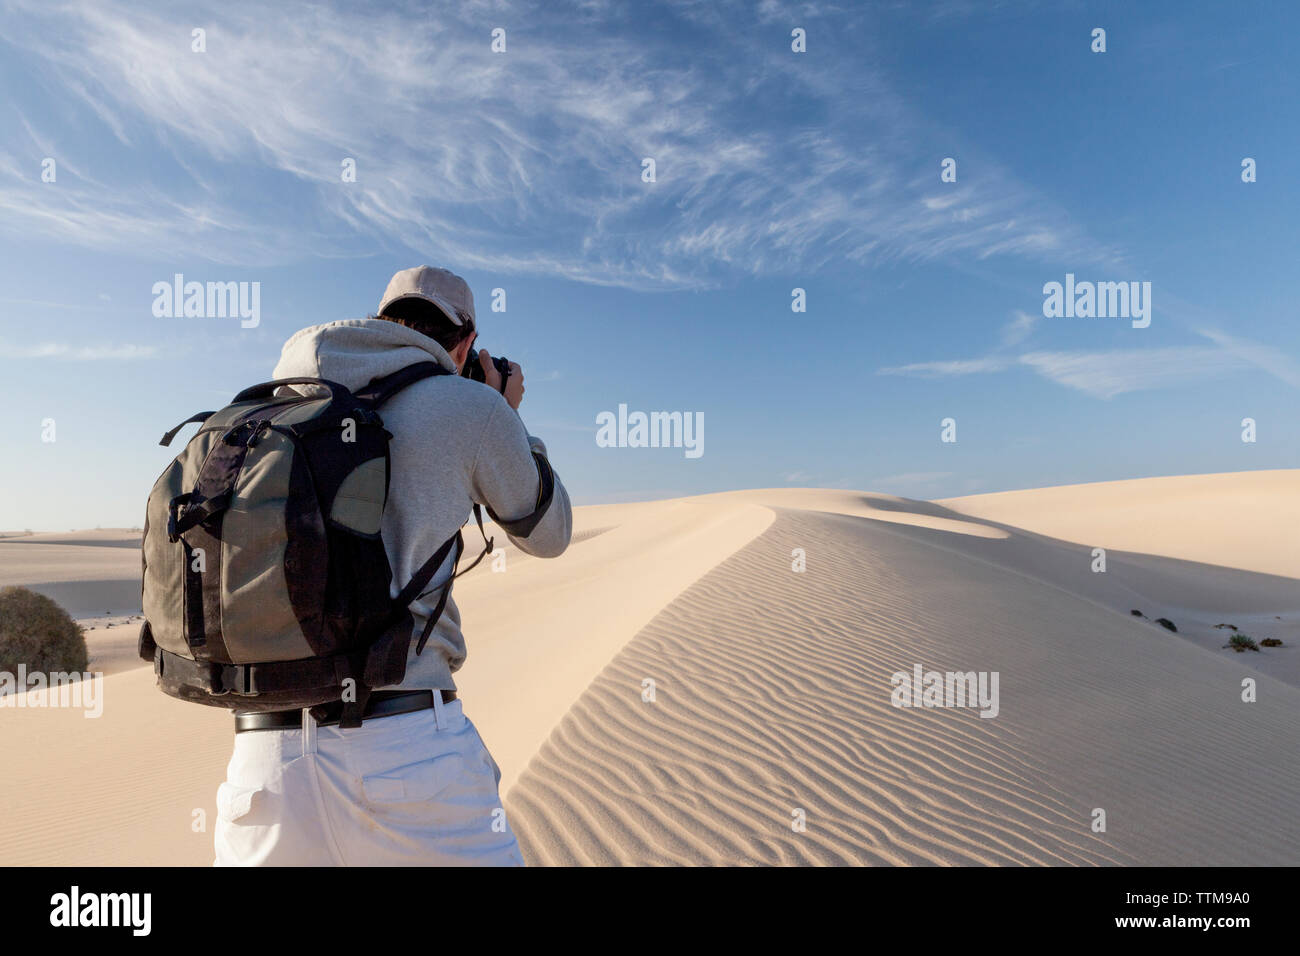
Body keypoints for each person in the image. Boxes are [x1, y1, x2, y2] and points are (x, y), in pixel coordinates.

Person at [213, 265, 572, 866]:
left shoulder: (273, 409)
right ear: (465, 344)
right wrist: (506, 414)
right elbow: (550, 533)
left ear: (382, 322)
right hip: (407, 754)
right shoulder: (468, 407)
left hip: (262, 766)